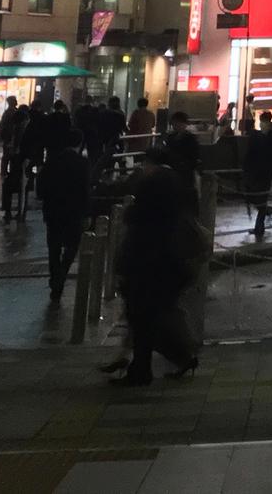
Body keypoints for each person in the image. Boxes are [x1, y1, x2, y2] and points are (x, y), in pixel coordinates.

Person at [112, 148, 201, 385]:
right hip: (166, 262)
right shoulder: (176, 183)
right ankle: (178, 358)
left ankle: (144, 368)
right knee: (152, 316)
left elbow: (137, 217)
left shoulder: (155, 184)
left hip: (149, 263)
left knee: (144, 318)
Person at [38, 123, 93, 301]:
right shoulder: (82, 163)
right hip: (74, 211)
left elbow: (41, 187)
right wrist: (87, 212)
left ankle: (55, 278)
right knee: (72, 245)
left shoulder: (52, 160)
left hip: (53, 210)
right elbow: (85, 190)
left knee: (53, 247)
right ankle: (62, 272)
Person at [240, 112, 272, 237]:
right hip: (254, 171)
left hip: (265, 172)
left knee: (261, 197)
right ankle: (266, 211)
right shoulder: (256, 136)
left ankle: (259, 227)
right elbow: (250, 153)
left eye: (265, 121)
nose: (263, 124)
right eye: (262, 121)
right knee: (253, 195)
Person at [0, 96, 30, 220]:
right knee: (22, 187)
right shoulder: (18, 119)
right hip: (20, 159)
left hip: (16, 157)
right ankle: (20, 211)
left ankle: (9, 211)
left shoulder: (11, 115)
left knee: (10, 185)